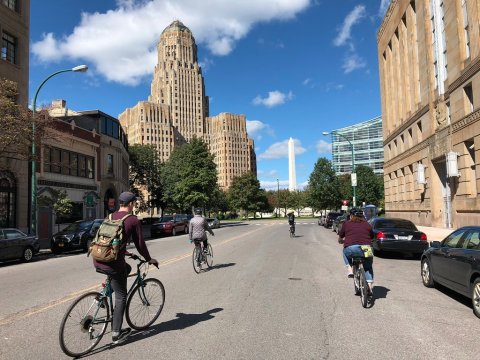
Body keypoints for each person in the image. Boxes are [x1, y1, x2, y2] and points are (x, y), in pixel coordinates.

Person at [93, 191, 159, 345]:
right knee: (121, 296)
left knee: (126, 269)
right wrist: (149, 259)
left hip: (98, 259)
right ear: (130, 204)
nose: (134, 205)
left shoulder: (109, 217)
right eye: (134, 203)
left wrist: (124, 251)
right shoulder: (132, 220)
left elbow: (107, 240)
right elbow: (140, 244)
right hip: (114, 263)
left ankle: (104, 294)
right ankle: (116, 333)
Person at [338, 208, 374, 293]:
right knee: (368, 267)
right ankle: (369, 286)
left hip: (352, 248)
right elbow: (372, 236)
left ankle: (350, 269)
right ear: (362, 216)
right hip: (367, 248)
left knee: (344, 251)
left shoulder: (347, 223)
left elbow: (341, 236)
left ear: (351, 215)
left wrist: (340, 241)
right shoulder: (367, 224)